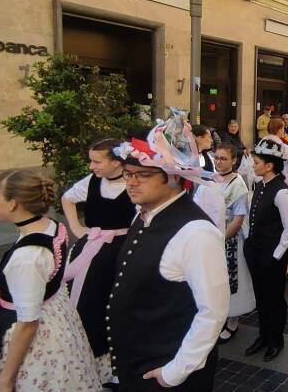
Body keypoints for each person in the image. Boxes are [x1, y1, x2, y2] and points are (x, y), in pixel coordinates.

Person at [107, 139, 229, 390]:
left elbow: (213, 312)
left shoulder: (197, 232)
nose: (131, 182)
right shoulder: (144, 214)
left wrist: (174, 372)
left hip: (165, 372)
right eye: (128, 174)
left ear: (173, 177)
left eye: (143, 174)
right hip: (136, 364)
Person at [0, 170, 100, 392]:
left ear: (13, 204)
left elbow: (27, 322)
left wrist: (6, 380)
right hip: (57, 318)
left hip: (35, 337)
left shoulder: (27, 258)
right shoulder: (52, 225)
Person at [60, 138, 136, 386]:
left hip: (120, 252)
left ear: (116, 162)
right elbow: (67, 198)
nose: (91, 166)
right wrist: (76, 227)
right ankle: (88, 362)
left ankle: (115, 366)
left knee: (113, 307)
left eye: (96, 161)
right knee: (85, 305)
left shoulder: (133, 184)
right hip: (90, 249)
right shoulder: (92, 181)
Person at [243, 139, 288, 361]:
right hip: (255, 251)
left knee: (274, 299)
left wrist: (275, 256)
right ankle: (263, 336)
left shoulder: (281, 192)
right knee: (261, 297)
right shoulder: (259, 184)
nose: (253, 165)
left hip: (272, 256)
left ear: (269, 165)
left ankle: (276, 340)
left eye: (257, 162)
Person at [214, 143, 255, 345]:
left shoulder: (238, 184)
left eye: (223, 158)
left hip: (230, 240)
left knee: (232, 280)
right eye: (217, 157)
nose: (219, 162)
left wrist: (220, 239)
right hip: (212, 238)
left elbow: (238, 219)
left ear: (234, 160)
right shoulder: (210, 179)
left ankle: (232, 321)